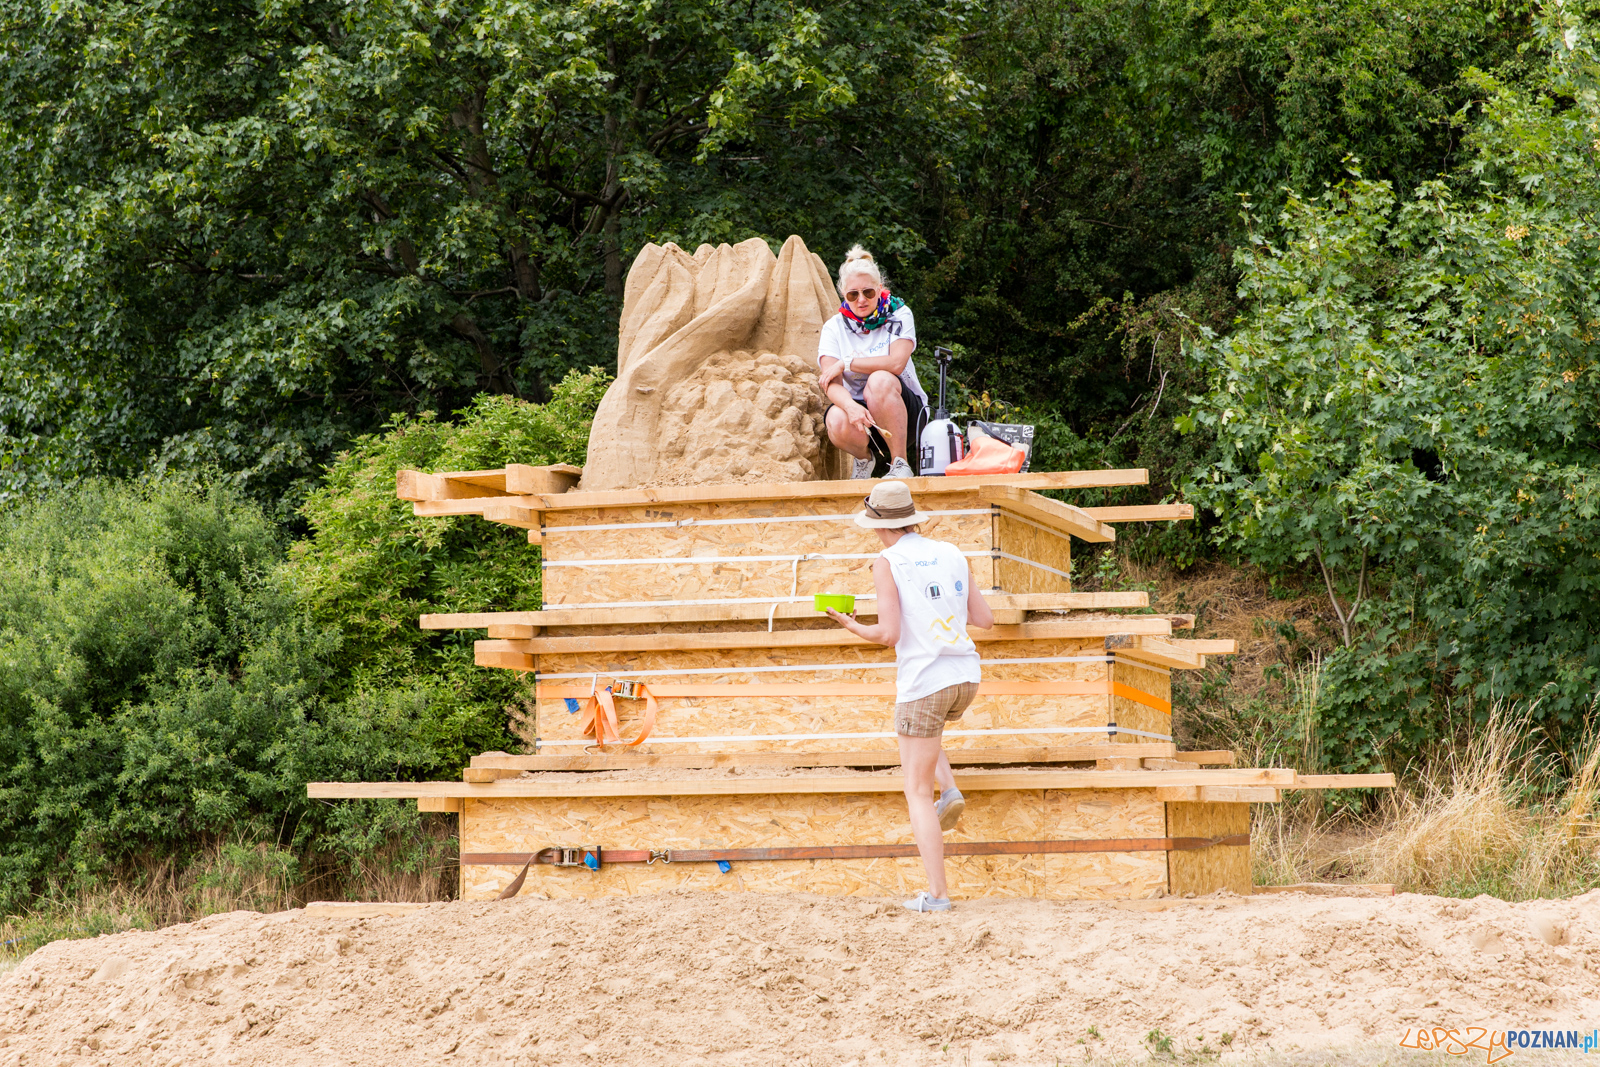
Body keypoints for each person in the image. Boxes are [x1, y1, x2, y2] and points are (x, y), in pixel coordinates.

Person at [824, 480, 994, 912]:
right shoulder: (952, 552)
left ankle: (937, 895)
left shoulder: (887, 561)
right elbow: (984, 619)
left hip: (925, 680)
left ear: (877, 525)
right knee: (926, 733)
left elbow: (889, 634)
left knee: (916, 791)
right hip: (965, 677)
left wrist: (850, 625)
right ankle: (949, 789)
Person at [817, 245, 929, 480]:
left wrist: (847, 363)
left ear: (879, 289)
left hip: (906, 415)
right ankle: (863, 460)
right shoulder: (833, 327)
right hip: (861, 418)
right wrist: (850, 407)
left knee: (878, 381)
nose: (861, 300)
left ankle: (900, 464)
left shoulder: (899, 314)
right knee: (835, 417)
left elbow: (896, 364)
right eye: (853, 294)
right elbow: (830, 382)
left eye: (868, 292)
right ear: (844, 295)